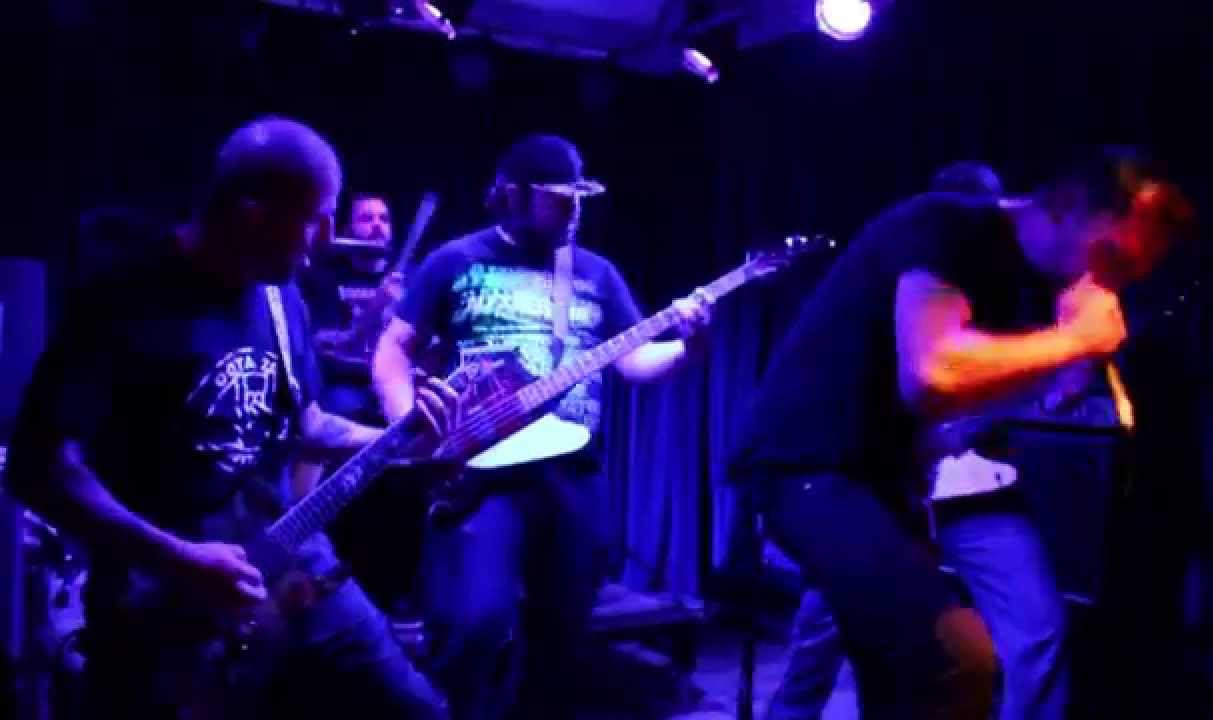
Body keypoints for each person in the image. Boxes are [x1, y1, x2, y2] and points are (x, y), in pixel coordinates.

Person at [5, 116, 459, 719]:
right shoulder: (123, 301)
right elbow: (39, 467)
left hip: (293, 562)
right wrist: (179, 560)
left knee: (419, 710)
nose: (328, 239)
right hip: (164, 599)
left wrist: (400, 440)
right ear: (250, 215)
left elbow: (307, 423)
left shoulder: (281, 295)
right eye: (315, 218)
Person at [730, 146, 1191, 719]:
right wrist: (1075, 341)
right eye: (1111, 257)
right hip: (806, 464)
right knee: (955, 659)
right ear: (1067, 204)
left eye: (1130, 273)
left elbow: (953, 407)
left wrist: (1059, 371)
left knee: (901, 675)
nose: (1111, 283)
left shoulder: (1029, 280)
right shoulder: (948, 226)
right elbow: (932, 374)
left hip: (881, 478)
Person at [372, 133, 713, 718]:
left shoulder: (597, 273)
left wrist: (690, 347)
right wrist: (413, 427)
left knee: (561, 637)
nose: (574, 210)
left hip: (573, 475)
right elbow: (392, 350)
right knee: (476, 623)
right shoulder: (454, 260)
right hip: (482, 475)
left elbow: (634, 362)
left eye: (579, 198)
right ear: (511, 195)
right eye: (559, 198)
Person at [766, 161, 1078, 720]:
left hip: (975, 489)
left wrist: (1056, 371)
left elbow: (1045, 392)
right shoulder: (903, 278)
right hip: (878, 490)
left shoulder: (1012, 290)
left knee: (1036, 629)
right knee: (825, 636)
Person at [300, 191, 403, 423]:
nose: (377, 225)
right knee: (341, 405)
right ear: (348, 229)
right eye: (366, 219)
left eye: (384, 219)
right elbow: (324, 345)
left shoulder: (408, 277)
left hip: (396, 379)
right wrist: (374, 310)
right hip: (348, 384)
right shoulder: (325, 279)